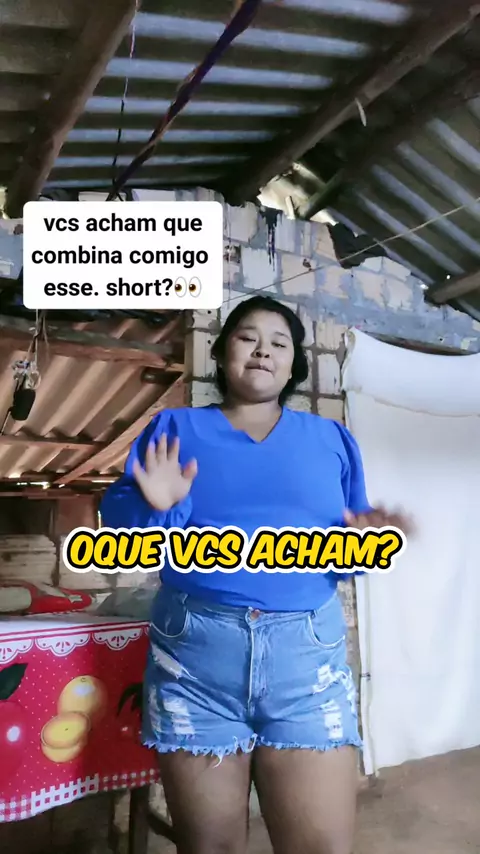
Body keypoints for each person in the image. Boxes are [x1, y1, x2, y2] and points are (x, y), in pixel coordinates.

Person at [101, 295, 410, 854]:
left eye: (279, 342)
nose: (263, 350)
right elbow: (122, 524)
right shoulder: (175, 427)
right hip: (195, 662)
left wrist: (367, 541)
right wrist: (154, 507)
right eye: (247, 337)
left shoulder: (332, 439)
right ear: (222, 355)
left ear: (293, 366)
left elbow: (346, 547)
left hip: (307, 666)